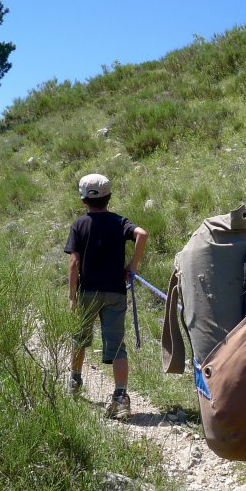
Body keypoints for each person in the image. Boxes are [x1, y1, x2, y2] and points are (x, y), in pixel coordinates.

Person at [64, 173, 148, 420]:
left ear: (83, 201)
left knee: (79, 338)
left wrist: (72, 296)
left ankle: (75, 382)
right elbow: (141, 234)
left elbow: (73, 263)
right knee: (118, 345)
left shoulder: (80, 224)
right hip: (115, 292)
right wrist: (132, 266)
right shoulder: (119, 222)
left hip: (88, 292)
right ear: (109, 197)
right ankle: (120, 397)